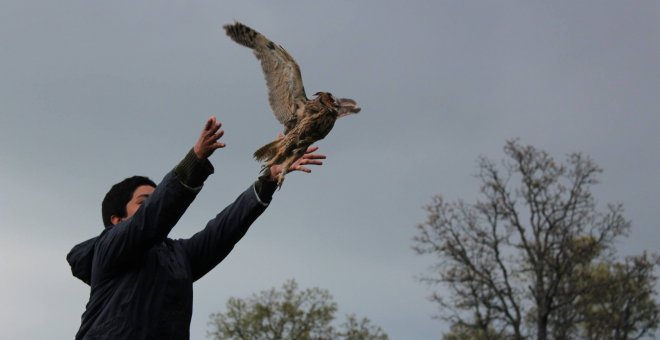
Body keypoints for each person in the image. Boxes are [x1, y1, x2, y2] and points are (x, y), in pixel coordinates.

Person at [66, 116, 325, 339]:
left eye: (154, 200)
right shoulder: (108, 248)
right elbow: (153, 217)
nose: (153, 206)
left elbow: (222, 232)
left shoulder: (179, 257)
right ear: (117, 219)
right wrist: (195, 161)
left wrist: (267, 180)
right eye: (144, 202)